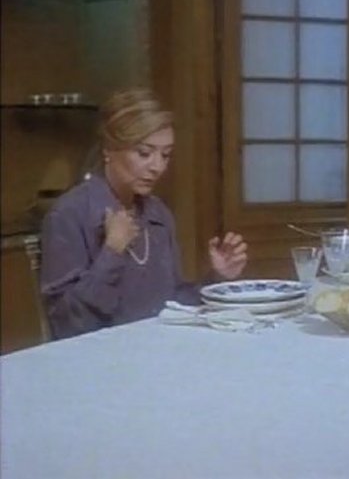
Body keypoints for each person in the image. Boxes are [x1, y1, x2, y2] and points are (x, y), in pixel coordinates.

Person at [40, 88, 249, 340]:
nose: (158, 167)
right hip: (100, 356)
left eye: (165, 155)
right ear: (109, 149)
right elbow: (67, 324)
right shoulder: (69, 214)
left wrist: (216, 278)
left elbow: (172, 305)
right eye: (144, 153)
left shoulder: (157, 213)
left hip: (158, 348)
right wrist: (112, 252)